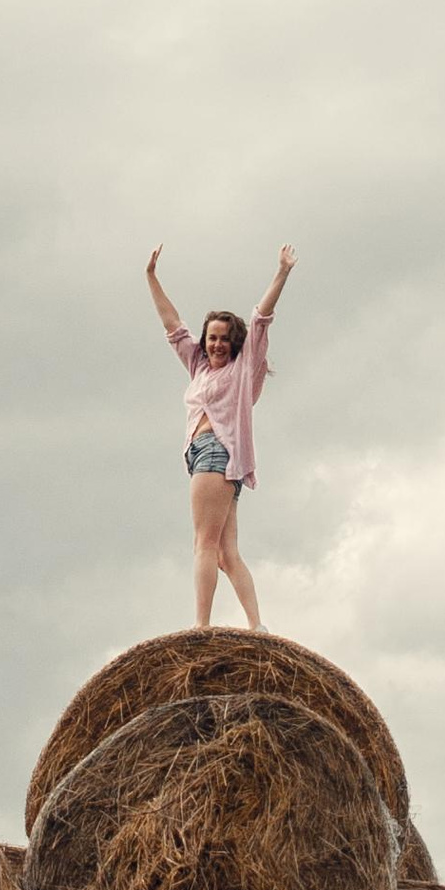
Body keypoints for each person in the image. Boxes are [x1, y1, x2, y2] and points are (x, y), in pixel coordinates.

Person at [145, 241, 295, 628]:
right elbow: (172, 326)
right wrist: (151, 278)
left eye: (223, 338)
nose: (215, 344)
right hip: (205, 456)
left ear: (234, 343)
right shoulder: (198, 367)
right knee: (226, 553)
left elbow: (261, 318)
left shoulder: (242, 369)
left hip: (216, 452)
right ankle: (257, 628)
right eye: (211, 337)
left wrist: (281, 272)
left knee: (203, 545)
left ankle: (201, 629)